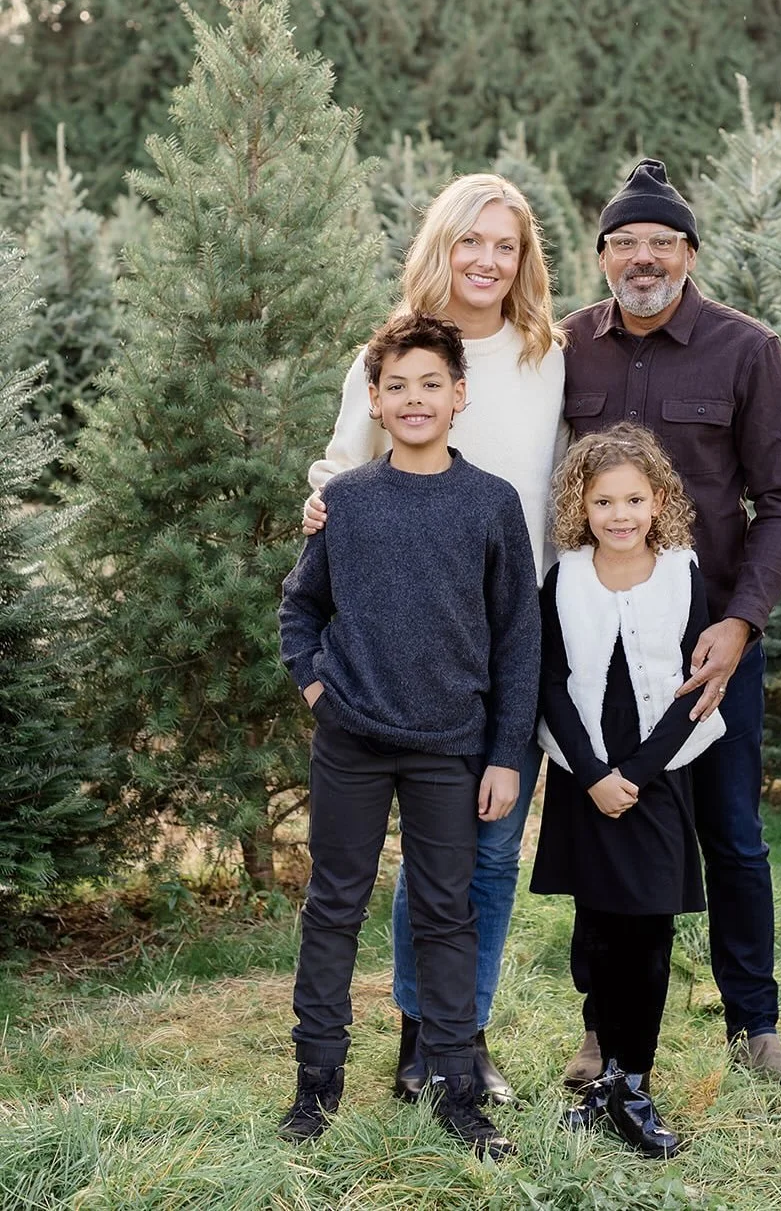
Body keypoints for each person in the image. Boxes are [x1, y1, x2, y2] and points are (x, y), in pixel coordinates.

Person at [301, 173, 567, 1103]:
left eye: (505, 245)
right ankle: (420, 1036)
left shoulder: (546, 356)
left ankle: (464, 1036)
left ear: (523, 259)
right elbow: (342, 469)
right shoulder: (393, 353)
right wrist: (318, 509)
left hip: (507, 636)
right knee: (429, 857)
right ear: (441, 246)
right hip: (405, 647)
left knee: (486, 850)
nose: (487, 260)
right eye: (470, 241)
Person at [559, 159, 781, 1085]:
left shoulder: (746, 349)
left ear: (690, 253)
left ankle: (755, 1025)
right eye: (624, 242)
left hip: (710, 643)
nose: (643, 258)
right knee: (611, 825)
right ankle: (601, 1027)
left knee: (732, 831)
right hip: (601, 641)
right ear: (601, 256)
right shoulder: (565, 346)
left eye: (661, 242)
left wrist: (740, 622)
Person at [277, 314, 539, 1156]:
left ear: (459, 395)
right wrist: (317, 687)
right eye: (397, 386)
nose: (414, 398)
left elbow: (518, 639)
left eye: (431, 383)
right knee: (334, 906)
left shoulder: (490, 504)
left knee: (445, 913)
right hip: (351, 740)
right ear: (374, 400)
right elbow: (300, 606)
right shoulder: (348, 502)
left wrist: (505, 753)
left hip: (448, 745)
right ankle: (316, 1084)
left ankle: (456, 1088)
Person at [532, 424, 725, 1158]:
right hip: (585, 774)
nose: (620, 514)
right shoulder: (565, 577)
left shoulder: (682, 573)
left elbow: (696, 686)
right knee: (597, 931)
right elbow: (551, 683)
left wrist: (637, 775)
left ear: (659, 502)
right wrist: (592, 775)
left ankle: (633, 1084)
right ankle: (603, 1079)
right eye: (604, 501)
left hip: (656, 774)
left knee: (646, 932)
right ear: (580, 506)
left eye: (634, 500)